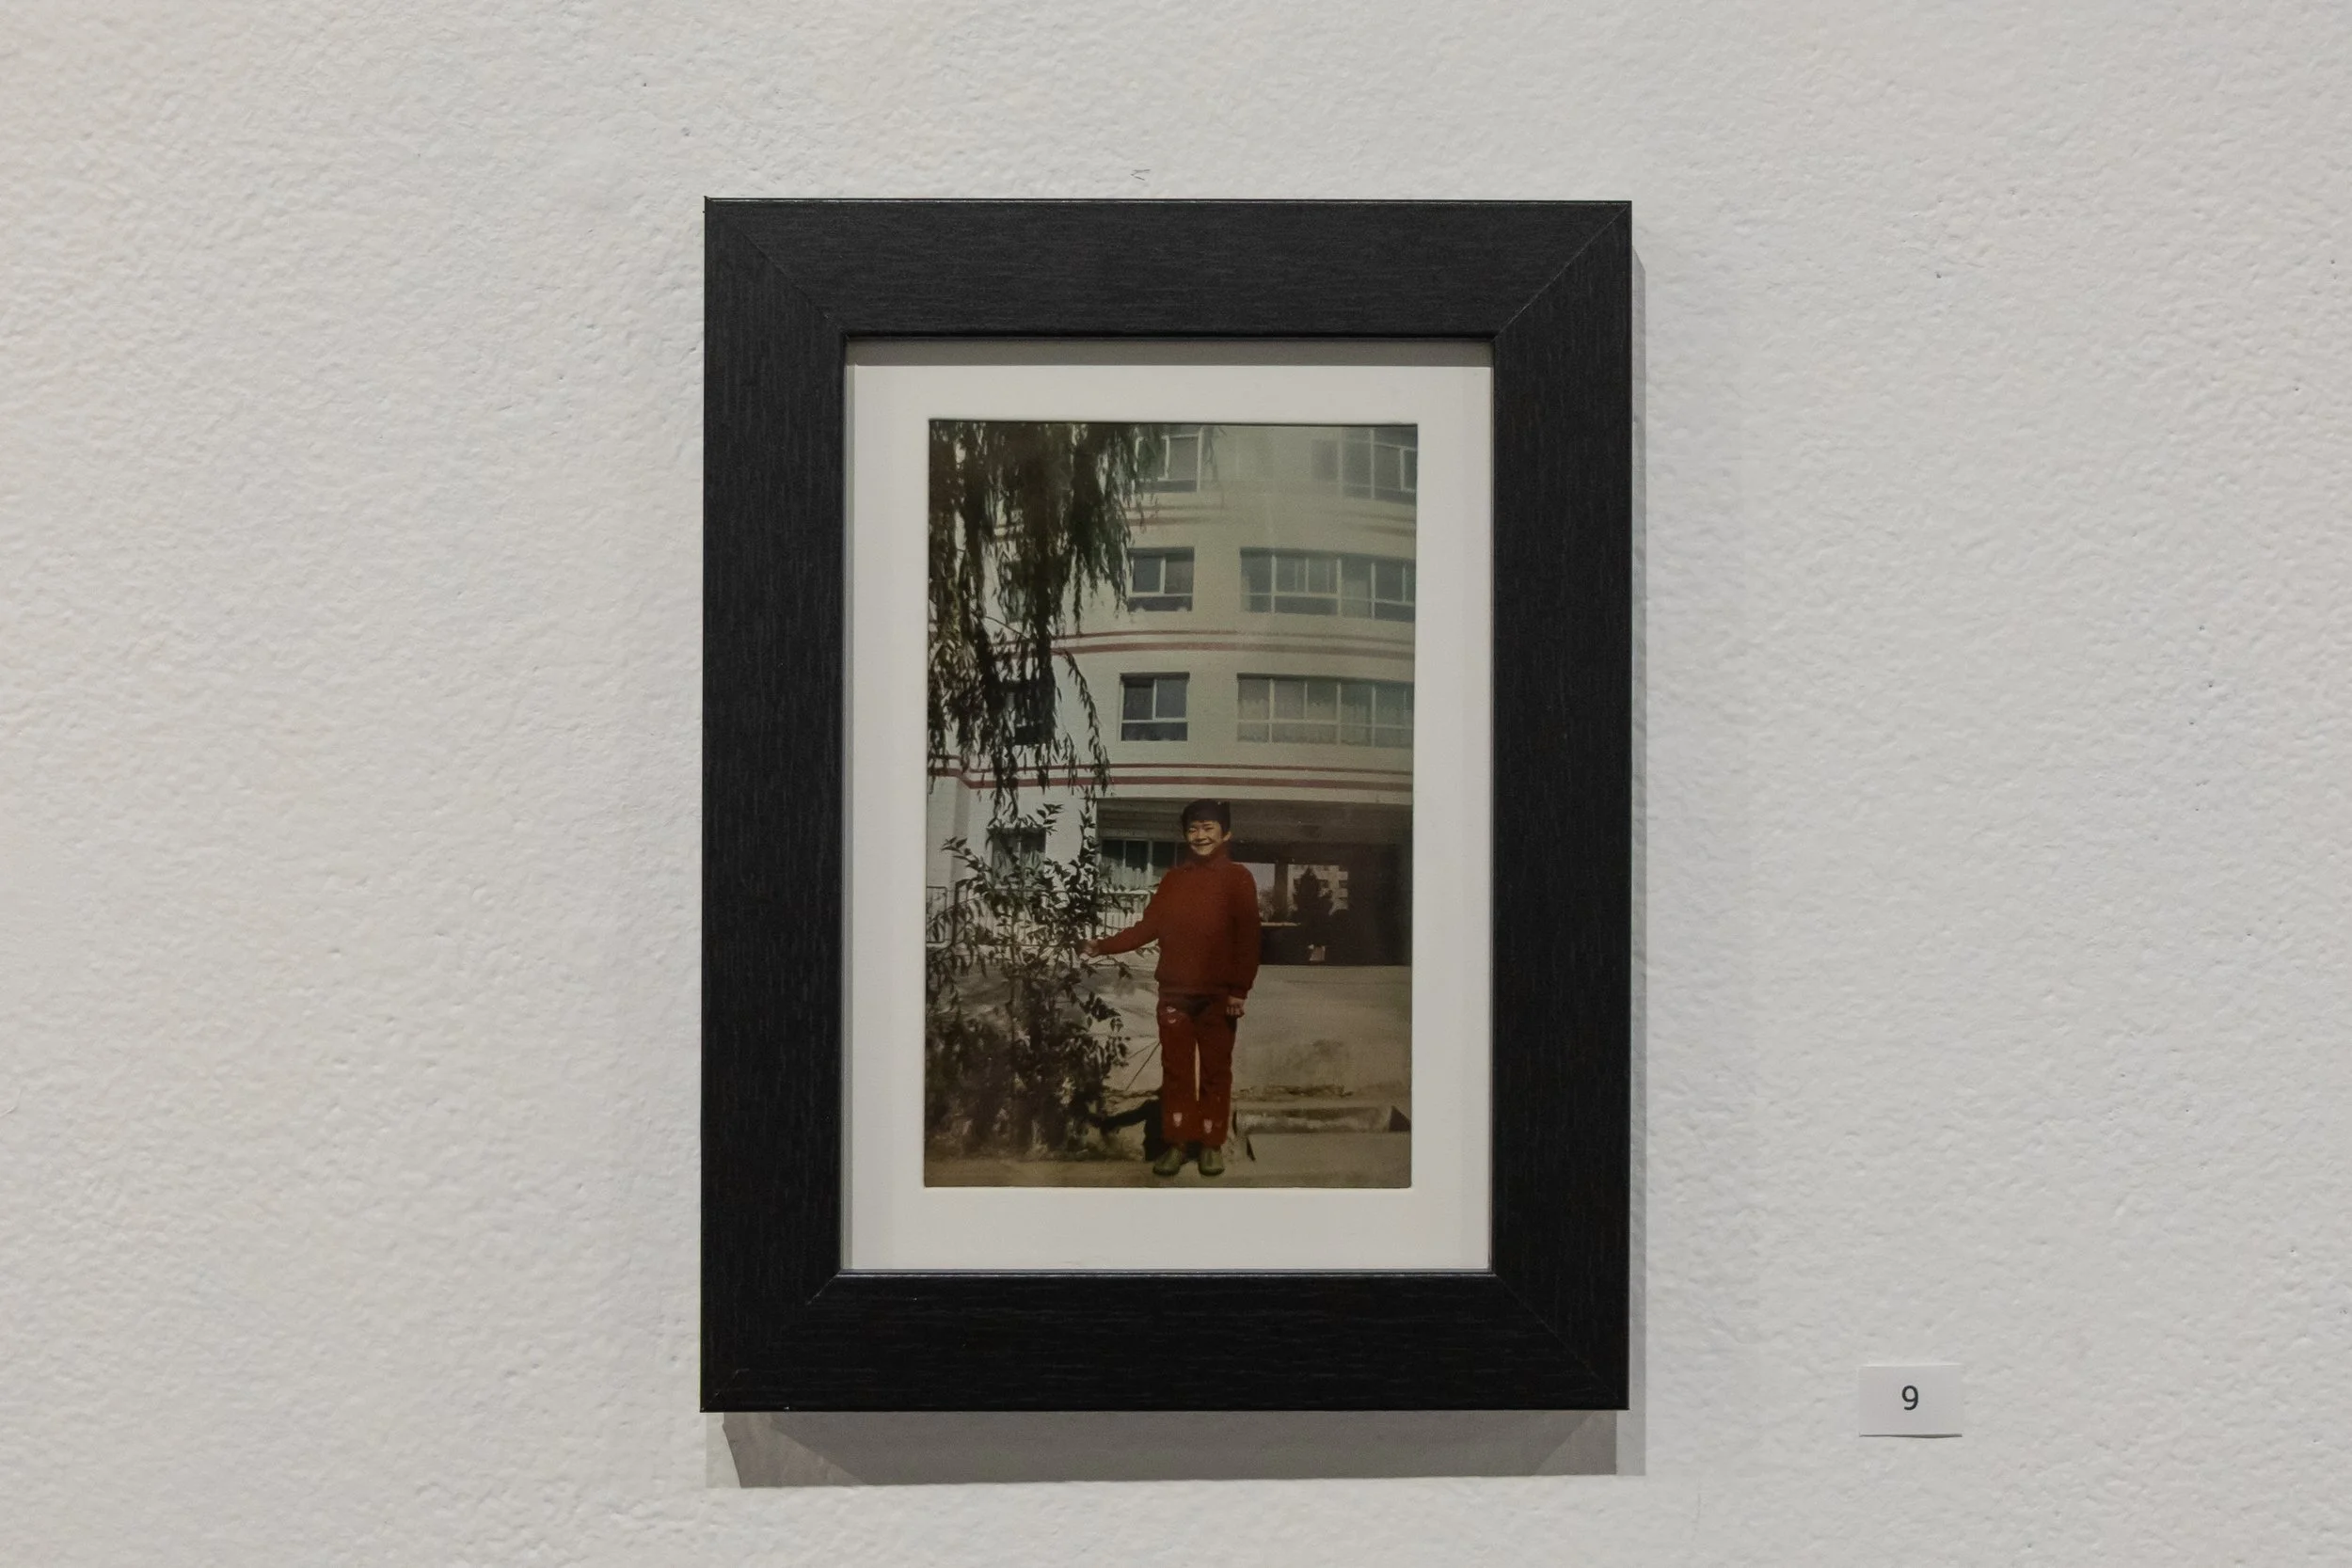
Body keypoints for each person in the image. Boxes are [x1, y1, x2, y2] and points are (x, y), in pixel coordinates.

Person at [1084, 800, 1261, 1177]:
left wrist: (1238, 991)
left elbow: (1248, 939)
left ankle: (1211, 1143)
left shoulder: (1238, 878)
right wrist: (1102, 945)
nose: (1200, 835)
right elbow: (1146, 928)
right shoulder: (1173, 880)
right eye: (1193, 829)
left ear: (1225, 833)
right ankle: (1178, 1143)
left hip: (1218, 998)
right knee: (1176, 1072)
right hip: (1175, 996)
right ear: (1185, 835)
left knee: (1216, 1070)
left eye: (1209, 828)